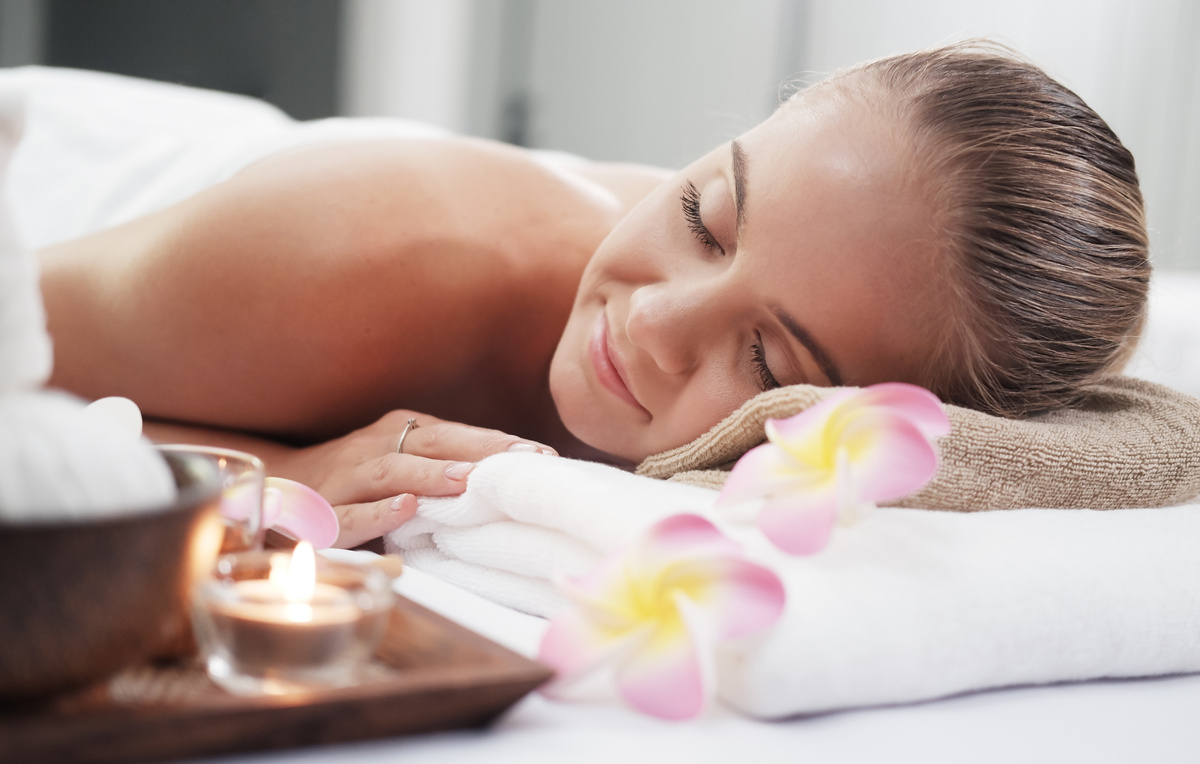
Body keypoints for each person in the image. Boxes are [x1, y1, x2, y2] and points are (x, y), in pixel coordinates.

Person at [31, 40, 1149, 547]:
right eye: (705, 215)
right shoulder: (365, 261)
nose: (650, 322)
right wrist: (271, 473)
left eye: (769, 365)